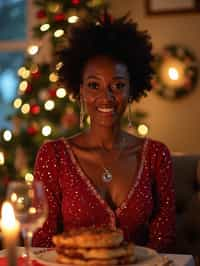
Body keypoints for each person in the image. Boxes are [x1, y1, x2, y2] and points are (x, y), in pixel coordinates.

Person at [32, 14, 176, 252]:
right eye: (93, 85)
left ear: (132, 90)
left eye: (118, 85)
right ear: (80, 91)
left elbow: (164, 241)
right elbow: (42, 242)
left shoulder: (156, 155)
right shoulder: (53, 156)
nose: (106, 97)